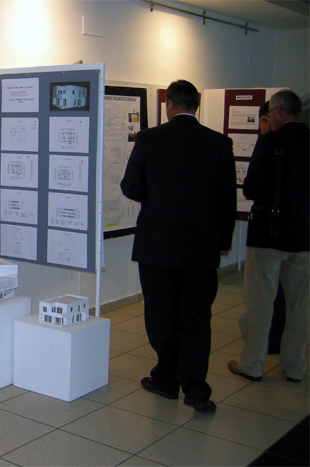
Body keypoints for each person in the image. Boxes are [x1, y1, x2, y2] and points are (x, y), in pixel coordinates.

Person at [121, 79, 236, 414]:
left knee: (161, 312)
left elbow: (130, 186)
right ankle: (196, 390)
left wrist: (157, 199)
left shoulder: (149, 139)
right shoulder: (219, 143)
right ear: (196, 105)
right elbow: (226, 199)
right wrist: (223, 241)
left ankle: (166, 380)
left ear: (168, 104)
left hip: (157, 245)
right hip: (202, 247)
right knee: (196, 317)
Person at [228, 89, 309, 383]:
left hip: (268, 236)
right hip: (305, 235)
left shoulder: (270, 142)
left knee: (260, 303)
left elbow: (251, 188)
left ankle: (253, 364)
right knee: (300, 307)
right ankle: (294, 366)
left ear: (277, 112)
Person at [257, 101, 286, 355]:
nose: (264, 127)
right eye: (262, 121)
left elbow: (252, 187)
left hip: (272, 230)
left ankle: (271, 340)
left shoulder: (268, 146)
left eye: (268, 120)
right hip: (294, 231)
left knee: (271, 291)